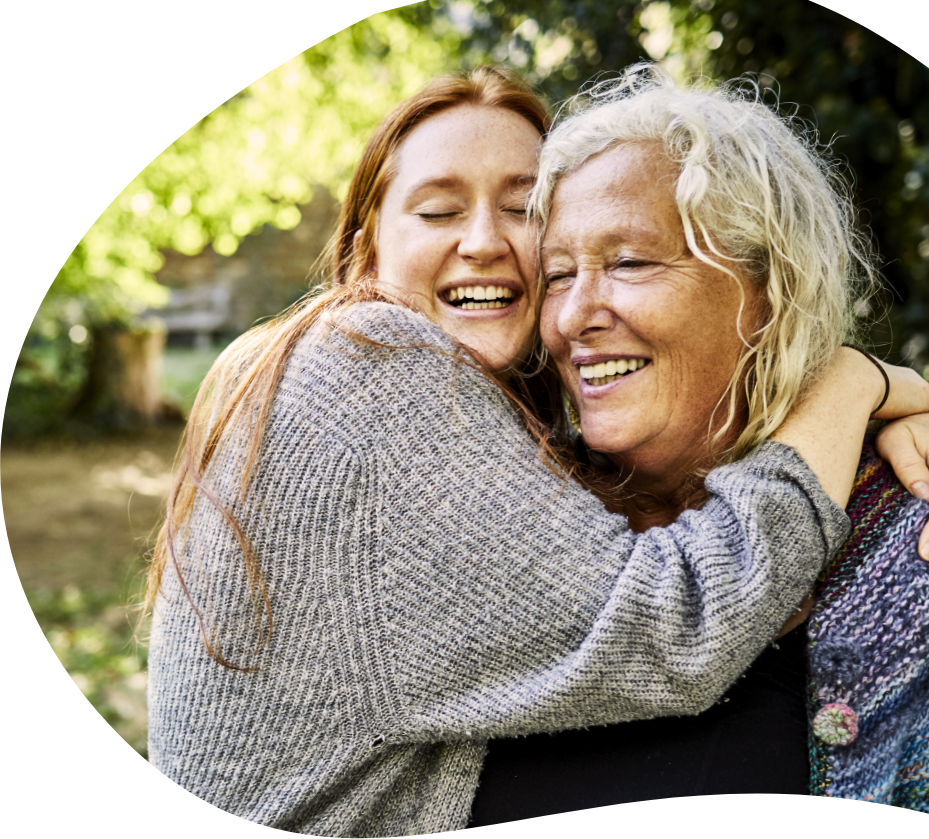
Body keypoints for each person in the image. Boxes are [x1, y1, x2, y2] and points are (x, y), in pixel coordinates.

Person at [144, 67, 927, 834]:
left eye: (522, 210)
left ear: (768, 290)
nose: (484, 242)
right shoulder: (366, 358)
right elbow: (674, 625)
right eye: (438, 210)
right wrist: (846, 382)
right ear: (363, 256)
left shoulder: (522, 468)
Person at [469, 64, 926, 815]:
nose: (575, 315)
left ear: (769, 290)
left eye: (628, 262)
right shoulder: (509, 521)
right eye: (555, 275)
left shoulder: (903, 545)